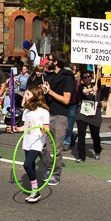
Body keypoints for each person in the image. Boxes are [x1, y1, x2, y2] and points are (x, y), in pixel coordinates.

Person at [10, 84, 50, 203]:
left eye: (28, 94)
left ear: (35, 96)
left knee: (27, 164)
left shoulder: (43, 112)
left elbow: (46, 128)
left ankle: (35, 191)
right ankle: (35, 190)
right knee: (31, 165)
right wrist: (17, 129)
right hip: (27, 140)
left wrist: (44, 131)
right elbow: (25, 126)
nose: (25, 96)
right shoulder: (27, 111)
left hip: (37, 141)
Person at [39, 51, 73, 185]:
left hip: (60, 117)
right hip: (47, 115)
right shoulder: (51, 76)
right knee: (43, 147)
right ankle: (49, 168)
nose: (48, 62)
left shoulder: (67, 78)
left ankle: (56, 174)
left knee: (56, 149)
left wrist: (50, 92)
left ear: (56, 62)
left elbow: (66, 99)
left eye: (50, 60)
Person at [75, 70, 106, 162]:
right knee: (81, 134)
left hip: (95, 113)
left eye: (89, 77)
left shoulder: (96, 84)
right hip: (83, 113)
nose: (87, 79)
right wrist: (92, 90)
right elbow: (83, 91)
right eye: (85, 77)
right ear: (82, 80)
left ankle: (97, 151)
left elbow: (99, 78)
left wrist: (99, 69)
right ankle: (81, 156)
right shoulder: (81, 87)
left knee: (95, 135)